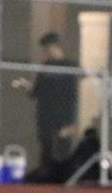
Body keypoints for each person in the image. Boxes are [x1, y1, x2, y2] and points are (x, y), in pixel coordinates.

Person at [14, 32, 78, 183]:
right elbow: (36, 91)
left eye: (48, 48)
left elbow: (77, 87)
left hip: (64, 114)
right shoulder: (47, 67)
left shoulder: (71, 65)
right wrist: (24, 84)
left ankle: (64, 178)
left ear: (55, 46)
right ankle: (46, 179)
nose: (47, 52)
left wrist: (72, 120)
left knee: (63, 146)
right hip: (46, 115)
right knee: (47, 146)